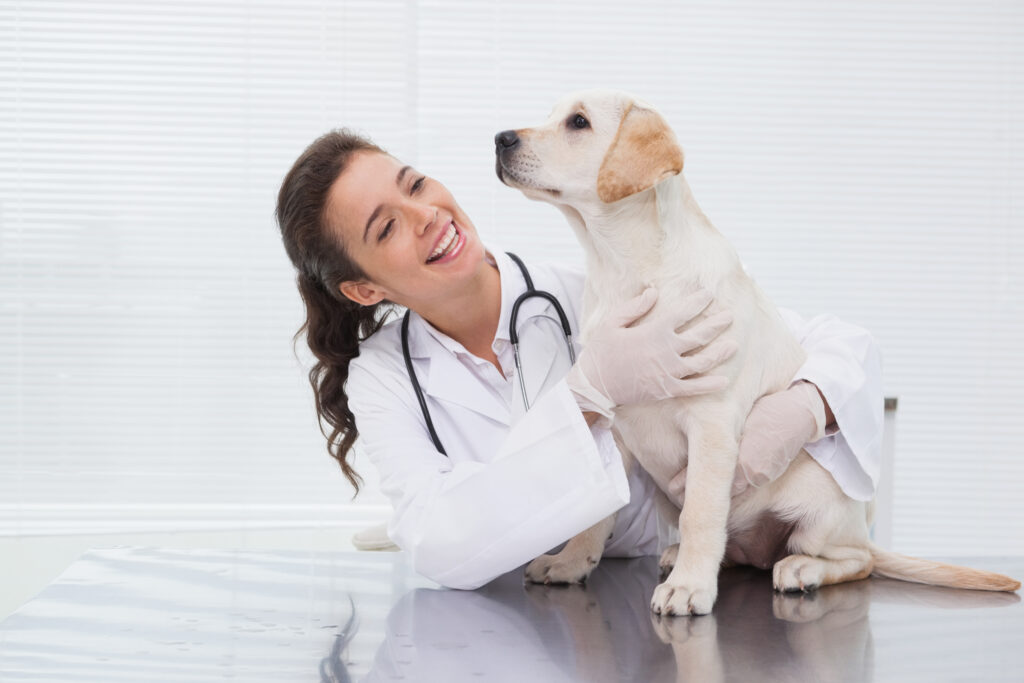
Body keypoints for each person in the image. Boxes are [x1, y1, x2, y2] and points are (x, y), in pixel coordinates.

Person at [275, 129, 884, 590]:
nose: (427, 214)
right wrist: (587, 392)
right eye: (386, 228)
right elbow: (438, 544)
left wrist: (808, 405)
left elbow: (831, 340)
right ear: (364, 290)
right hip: (531, 619)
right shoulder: (382, 377)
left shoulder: (595, 293)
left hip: (673, 587)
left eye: (415, 184)